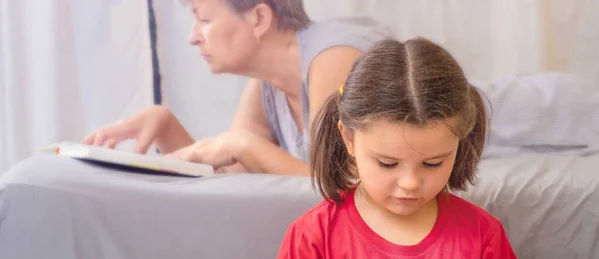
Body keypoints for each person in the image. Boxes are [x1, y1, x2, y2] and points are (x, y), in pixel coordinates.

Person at [260, 38, 555, 259]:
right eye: (387, 163)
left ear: (460, 143)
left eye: (433, 163)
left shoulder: (482, 234)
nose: (411, 183)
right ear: (348, 139)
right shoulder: (312, 235)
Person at [81, 0, 389, 175]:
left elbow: (341, 187)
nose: (193, 37)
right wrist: (166, 126)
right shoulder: (267, 85)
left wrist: (243, 144)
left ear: (258, 18)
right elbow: (230, 180)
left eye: (204, 20)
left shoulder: (335, 58)